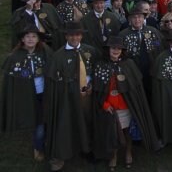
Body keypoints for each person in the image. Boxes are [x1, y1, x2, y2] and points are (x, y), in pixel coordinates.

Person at [93, 36, 160, 170]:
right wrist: (105, 105)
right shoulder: (101, 65)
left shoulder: (128, 64)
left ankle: (128, 152)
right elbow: (97, 90)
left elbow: (136, 88)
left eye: (119, 48)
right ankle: (114, 155)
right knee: (112, 132)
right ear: (108, 49)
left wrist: (132, 102)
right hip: (109, 107)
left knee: (127, 131)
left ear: (122, 50)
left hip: (126, 106)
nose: (116, 51)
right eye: (113, 48)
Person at [44, 21, 101, 172]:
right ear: (66, 36)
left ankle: (87, 149)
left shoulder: (91, 51)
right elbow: (54, 81)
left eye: (77, 34)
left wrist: (92, 85)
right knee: (70, 122)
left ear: (81, 35)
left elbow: (98, 71)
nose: (74, 38)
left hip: (89, 95)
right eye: (71, 35)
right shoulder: (58, 56)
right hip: (69, 97)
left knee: (88, 122)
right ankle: (66, 151)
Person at [1, 25, 53, 162]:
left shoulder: (45, 52)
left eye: (34, 36)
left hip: (44, 92)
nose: (30, 39)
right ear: (22, 39)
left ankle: (41, 144)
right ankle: (39, 147)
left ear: (38, 39)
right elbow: (10, 81)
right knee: (38, 122)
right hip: (26, 95)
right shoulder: (14, 57)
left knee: (43, 120)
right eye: (27, 36)